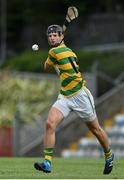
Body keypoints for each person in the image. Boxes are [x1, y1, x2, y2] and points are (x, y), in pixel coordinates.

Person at [34, 24, 114, 174]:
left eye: (55, 35)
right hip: (65, 96)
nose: (52, 38)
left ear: (62, 36)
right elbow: (56, 61)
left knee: (95, 129)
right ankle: (47, 163)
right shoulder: (66, 51)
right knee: (50, 124)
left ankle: (109, 155)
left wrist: (50, 59)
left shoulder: (55, 52)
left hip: (80, 96)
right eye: (50, 36)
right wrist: (53, 60)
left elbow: (45, 65)